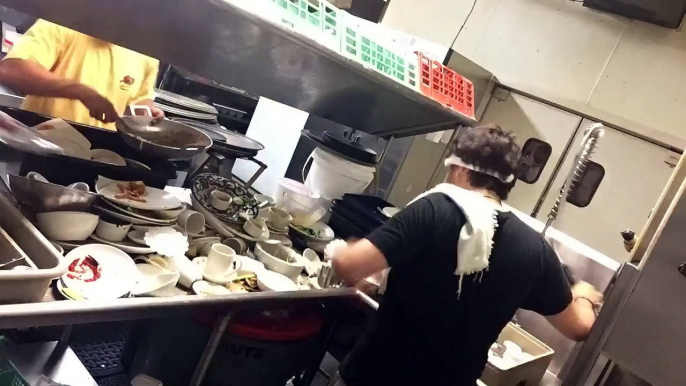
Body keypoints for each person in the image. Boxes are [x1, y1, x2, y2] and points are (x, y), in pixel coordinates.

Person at [331, 125, 602, 386]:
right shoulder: (535, 249)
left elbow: (347, 265)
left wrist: (347, 248)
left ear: (460, 168)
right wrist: (584, 295)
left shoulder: (435, 207)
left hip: (374, 376)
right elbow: (579, 327)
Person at [0, 19, 164, 130]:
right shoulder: (61, 23)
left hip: (99, 153)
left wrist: (147, 114)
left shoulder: (145, 52)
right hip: (41, 141)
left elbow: (140, 101)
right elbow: (11, 70)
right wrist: (81, 92)